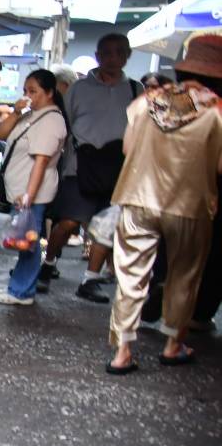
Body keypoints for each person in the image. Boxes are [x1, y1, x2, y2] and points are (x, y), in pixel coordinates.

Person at [107, 33, 222, 374]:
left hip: (138, 198)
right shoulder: (216, 111)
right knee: (184, 274)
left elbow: (127, 148)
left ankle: (122, 352)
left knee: (131, 274)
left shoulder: (147, 101)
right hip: (189, 204)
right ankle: (173, 345)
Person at [42, 33, 144, 301]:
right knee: (68, 221)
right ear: (98, 56)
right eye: (107, 53)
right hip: (80, 166)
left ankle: (90, 279)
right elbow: (65, 124)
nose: (113, 58)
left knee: (106, 226)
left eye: (119, 52)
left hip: (118, 168)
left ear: (127, 56)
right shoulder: (79, 89)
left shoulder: (136, 91)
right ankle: (48, 263)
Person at [0, 69, 69, 306]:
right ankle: (21, 287)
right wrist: (16, 111)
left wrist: (28, 196)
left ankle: (21, 292)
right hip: (20, 190)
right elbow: (0, 133)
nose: (28, 95)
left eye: (33, 91)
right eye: (25, 90)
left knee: (29, 243)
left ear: (50, 92)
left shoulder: (51, 120)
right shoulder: (31, 115)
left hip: (31, 193)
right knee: (26, 242)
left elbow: (41, 162)